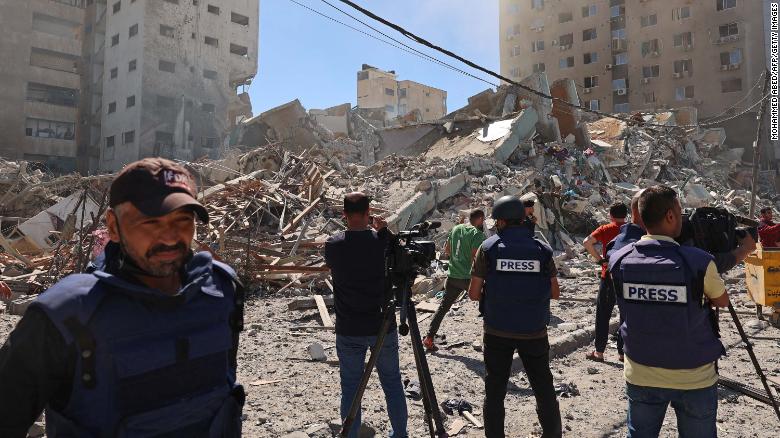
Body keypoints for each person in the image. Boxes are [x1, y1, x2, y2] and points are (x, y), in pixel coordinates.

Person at [0, 158, 245, 437]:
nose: (169, 237)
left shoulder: (221, 290)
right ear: (113, 227)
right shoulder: (66, 315)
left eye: (182, 220)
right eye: (150, 222)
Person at [609, 185, 729, 438]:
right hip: (694, 377)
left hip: (641, 370)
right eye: (679, 211)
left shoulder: (619, 259)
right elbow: (721, 301)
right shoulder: (698, 260)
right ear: (671, 216)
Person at [468, 195, 562, 438]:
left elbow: (473, 294)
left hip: (497, 330)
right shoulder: (542, 249)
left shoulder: (487, 249)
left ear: (500, 221)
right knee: (543, 387)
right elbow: (555, 292)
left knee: (495, 391)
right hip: (534, 331)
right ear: (522, 219)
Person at [324, 192, 407, 438]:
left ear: (344, 215)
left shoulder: (333, 244)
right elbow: (398, 256)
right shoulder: (380, 241)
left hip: (349, 327)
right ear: (369, 212)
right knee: (392, 382)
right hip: (382, 324)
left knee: (350, 387)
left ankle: (350, 435)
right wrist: (385, 231)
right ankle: (400, 433)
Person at [423, 209, 486, 352]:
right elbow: (476, 259)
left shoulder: (456, 228)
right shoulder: (477, 234)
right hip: (468, 278)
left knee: (443, 308)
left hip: (452, 276)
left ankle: (429, 337)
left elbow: (447, 251)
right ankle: (492, 341)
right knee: (488, 305)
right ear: (481, 219)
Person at [583, 202, 628, 362]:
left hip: (608, 275)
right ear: (626, 215)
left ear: (610, 214)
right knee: (625, 314)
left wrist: (601, 260)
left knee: (603, 314)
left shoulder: (605, 229)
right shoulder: (630, 230)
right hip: (627, 277)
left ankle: (599, 352)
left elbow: (587, 242)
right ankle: (623, 353)